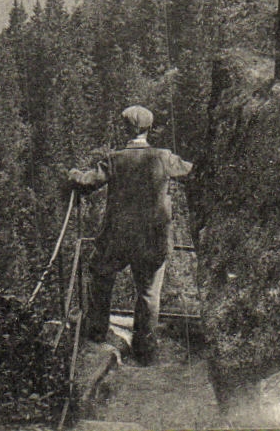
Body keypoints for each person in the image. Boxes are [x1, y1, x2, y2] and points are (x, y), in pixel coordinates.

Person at [65, 105, 193, 364]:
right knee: (149, 292)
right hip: (153, 240)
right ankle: (145, 352)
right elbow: (191, 171)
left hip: (117, 239)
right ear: (149, 128)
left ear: (125, 129)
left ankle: (97, 333)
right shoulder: (164, 157)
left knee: (100, 274)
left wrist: (73, 174)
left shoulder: (115, 159)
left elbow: (88, 181)